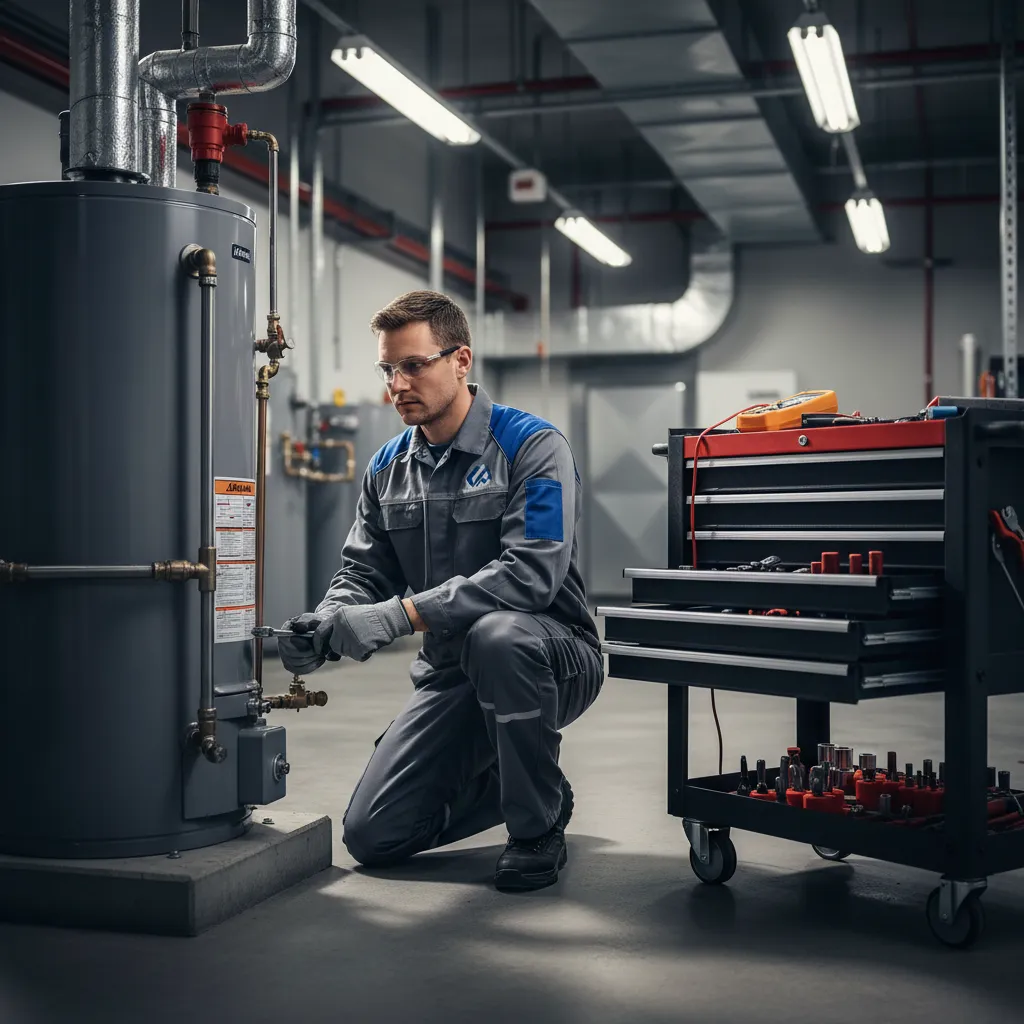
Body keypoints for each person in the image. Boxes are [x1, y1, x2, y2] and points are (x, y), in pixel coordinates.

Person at [278, 289, 603, 891]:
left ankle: (536, 827)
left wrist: (398, 616)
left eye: (412, 365)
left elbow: (530, 574)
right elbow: (362, 572)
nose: (396, 383)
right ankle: (528, 781)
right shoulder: (386, 468)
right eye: (387, 368)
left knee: (498, 635)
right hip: (451, 671)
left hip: (552, 654)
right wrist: (326, 621)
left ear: (461, 361)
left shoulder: (532, 447)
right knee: (374, 837)